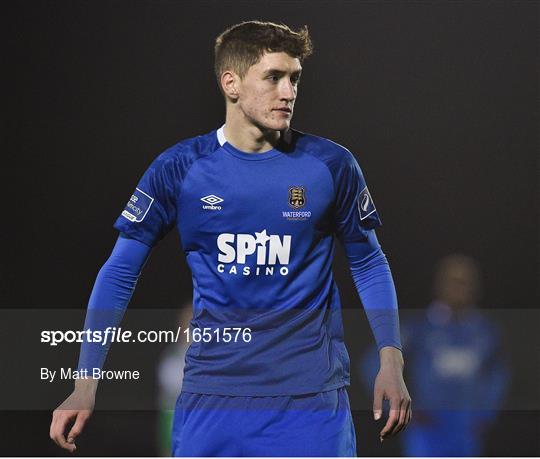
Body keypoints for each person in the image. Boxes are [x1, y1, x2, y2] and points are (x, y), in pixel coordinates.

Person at [50, 21, 411, 456]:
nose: (289, 92)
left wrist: (392, 360)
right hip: (212, 401)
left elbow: (369, 262)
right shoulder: (181, 169)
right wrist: (84, 383)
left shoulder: (330, 166)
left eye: (294, 78)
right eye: (273, 77)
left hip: (310, 403)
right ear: (231, 83)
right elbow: (120, 270)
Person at [359, 254, 507, 456]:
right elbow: (374, 365)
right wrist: (397, 408)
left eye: (465, 282)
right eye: (453, 282)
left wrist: (484, 414)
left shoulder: (484, 332)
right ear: (440, 285)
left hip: (466, 432)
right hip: (426, 431)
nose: (459, 289)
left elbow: (498, 374)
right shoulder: (418, 328)